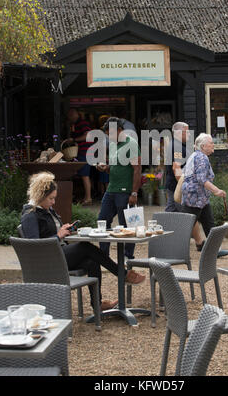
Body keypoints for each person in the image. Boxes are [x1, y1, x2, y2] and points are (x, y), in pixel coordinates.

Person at [21, 172, 145, 312]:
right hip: (48, 260)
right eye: (51, 198)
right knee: (85, 247)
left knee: (92, 261)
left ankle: (97, 305)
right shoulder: (30, 215)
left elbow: (48, 233)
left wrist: (63, 230)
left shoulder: (45, 210)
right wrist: (58, 236)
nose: (53, 202)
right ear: (40, 195)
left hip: (58, 254)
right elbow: (33, 247)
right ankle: (122, 274)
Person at [96, 117, 141, 260]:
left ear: (120, 130)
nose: (109, 137)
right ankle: (104, 256)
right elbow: (115, 166)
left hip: (125, 191)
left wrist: (134, 192)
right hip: (111, 189)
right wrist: (105, 168)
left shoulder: (131, 144)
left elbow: (137, 169)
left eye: (111, 134)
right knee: (102, 220)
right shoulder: (114, 145)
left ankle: (127, 256)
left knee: (126, 224)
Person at [181, 133, 228, 256]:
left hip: (199, 198)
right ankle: (176, 252)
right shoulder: (202, 158)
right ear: (203, 146)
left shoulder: (195, 155)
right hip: (195, 198)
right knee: (186, 227)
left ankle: (214, 251)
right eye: (211, 143)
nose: (213, 145)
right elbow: (202, 179)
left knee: (209, 224)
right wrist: (217, 190)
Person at [165, 122, 209, 251]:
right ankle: (197, 243)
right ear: (178, 132)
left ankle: (199, 242)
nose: (189, 133)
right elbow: (176, 167)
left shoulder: (179, 145)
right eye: (187, 131)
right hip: (177, 187)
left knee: (180, 214)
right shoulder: (177, 147)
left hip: (175, 187)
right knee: (187, 214)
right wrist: (185, 186)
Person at [67, 108, 93, 206]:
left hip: (85, 151)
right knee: (83, 174)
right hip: (82, 151)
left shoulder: (82, 123)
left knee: (84, 174)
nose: (69, 118)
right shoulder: (75, 124)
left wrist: (74, 139)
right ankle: (87, 197)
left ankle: (88, 198)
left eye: (70, 116)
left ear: (74, 114)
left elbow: (87, 135)